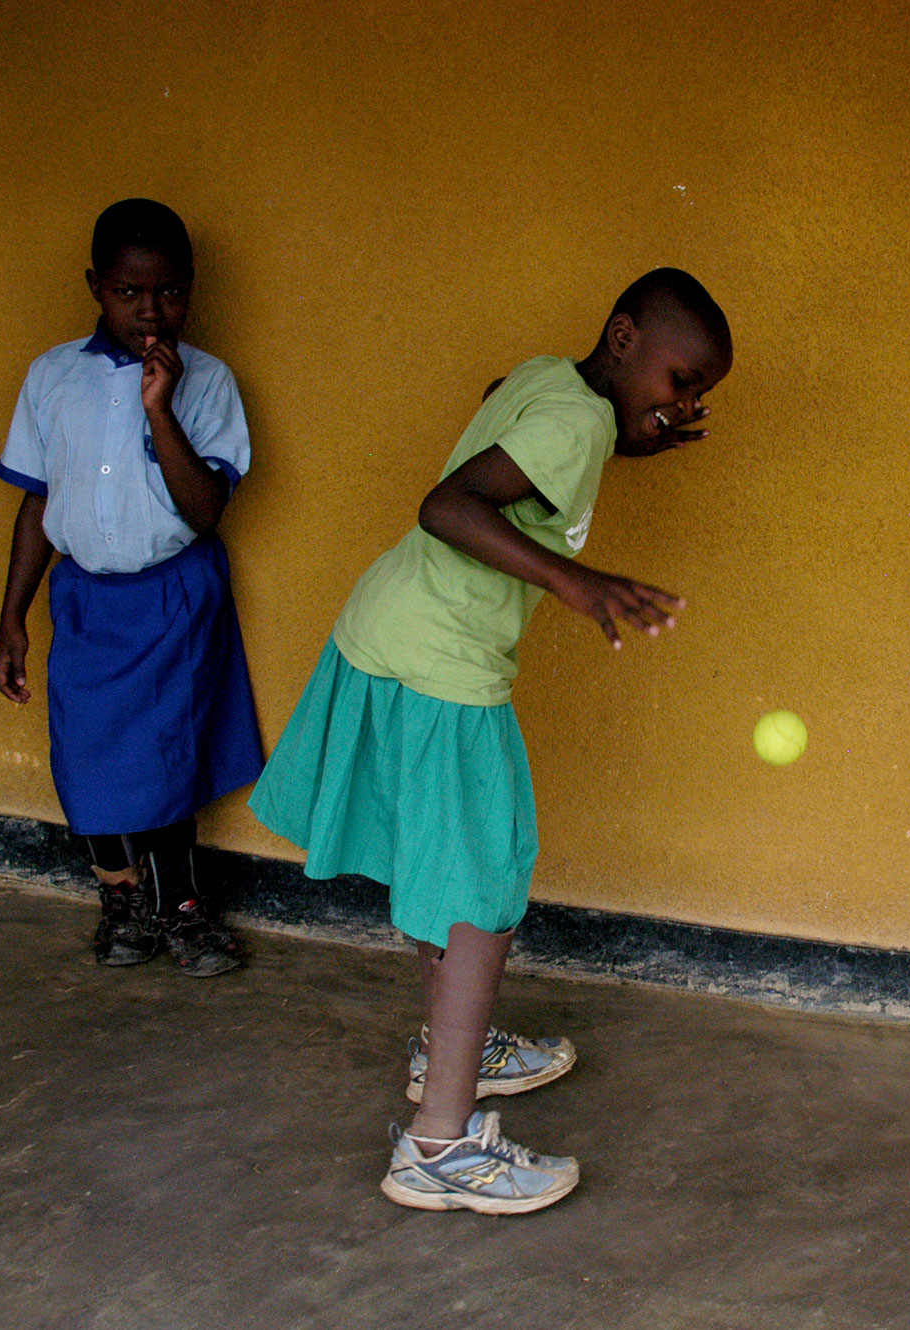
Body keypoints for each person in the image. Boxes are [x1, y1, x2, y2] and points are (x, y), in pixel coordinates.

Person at [250, 268, 733, 1214]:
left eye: (699, 396)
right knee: (482, 880)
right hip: (443, 665)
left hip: (388, 628)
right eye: (680, 382)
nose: (685, 405)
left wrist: (627, 441)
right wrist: (574, 582)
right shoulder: (580, 421)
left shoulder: (556, 382)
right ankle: (438, 1146)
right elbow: (447, 506)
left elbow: (494, 415)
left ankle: (453, 1045)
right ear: (626, 338)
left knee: (445, 860)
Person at [0, 198, 263, 978]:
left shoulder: (208, 383)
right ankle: (121, 902)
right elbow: (37, 500)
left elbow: (205, 510)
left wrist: (160, 407)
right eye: (128, 293)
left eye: (170, 293)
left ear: (191, 286)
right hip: (84, 600)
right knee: (86, 762)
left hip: (174, 596)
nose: (151, 312)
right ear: (94, 286)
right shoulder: (51, 377)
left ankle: (181, 909)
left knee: (169, 759)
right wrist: (12, 615)